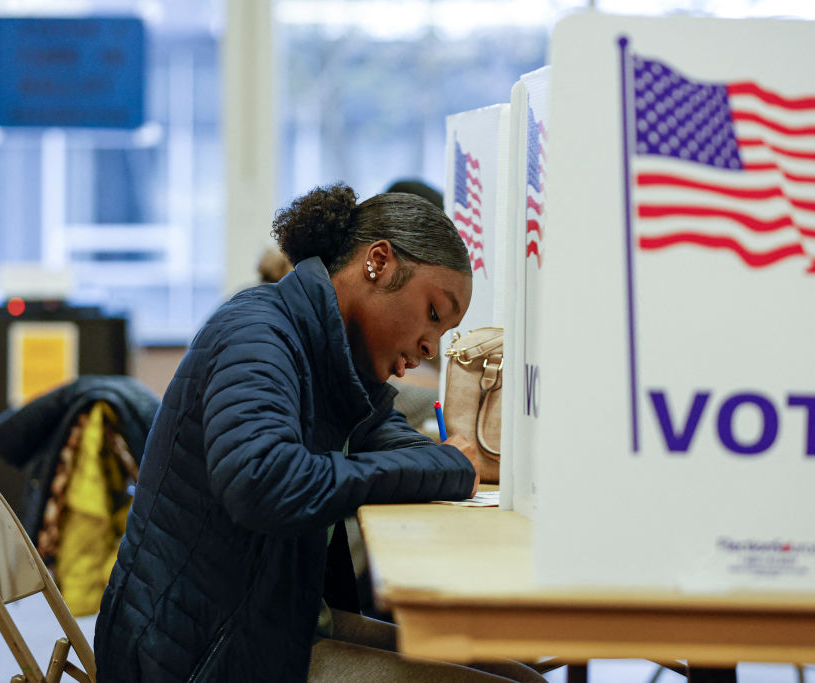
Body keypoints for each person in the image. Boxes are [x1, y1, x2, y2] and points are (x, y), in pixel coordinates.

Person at [93, 184, 544, 682]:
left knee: (525, 677)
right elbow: (263, 482)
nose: (430, 347)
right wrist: (446, 465)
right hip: (198, 658)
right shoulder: (258, 332)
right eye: (433, 314)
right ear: (379, 262)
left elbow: (389, 438)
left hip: (271, 622)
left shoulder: (330, 350)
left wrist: (452, 463)